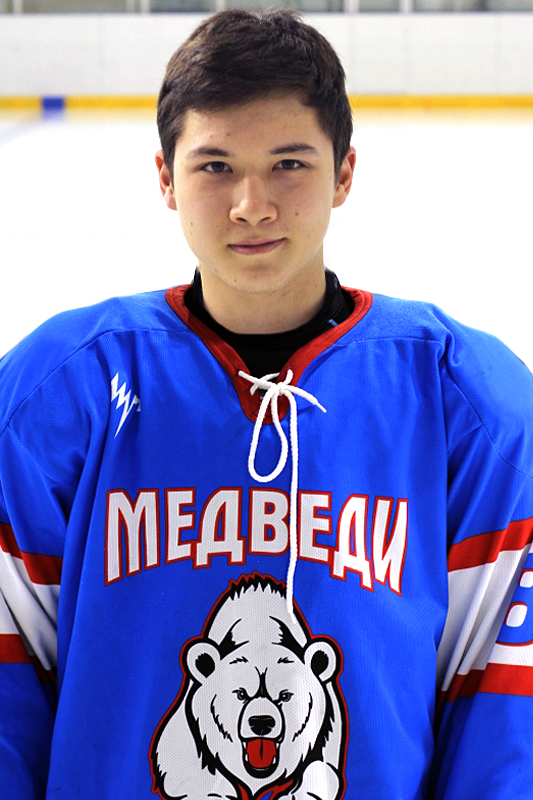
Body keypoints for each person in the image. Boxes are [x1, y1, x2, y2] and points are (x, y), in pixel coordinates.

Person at [0, 8, 532, 799]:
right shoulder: (58, 392)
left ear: (343, 174)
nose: (251, 204)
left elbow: (500, 706)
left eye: (288, 164)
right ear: (165, 178)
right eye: (215, 166)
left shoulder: (465, 399)